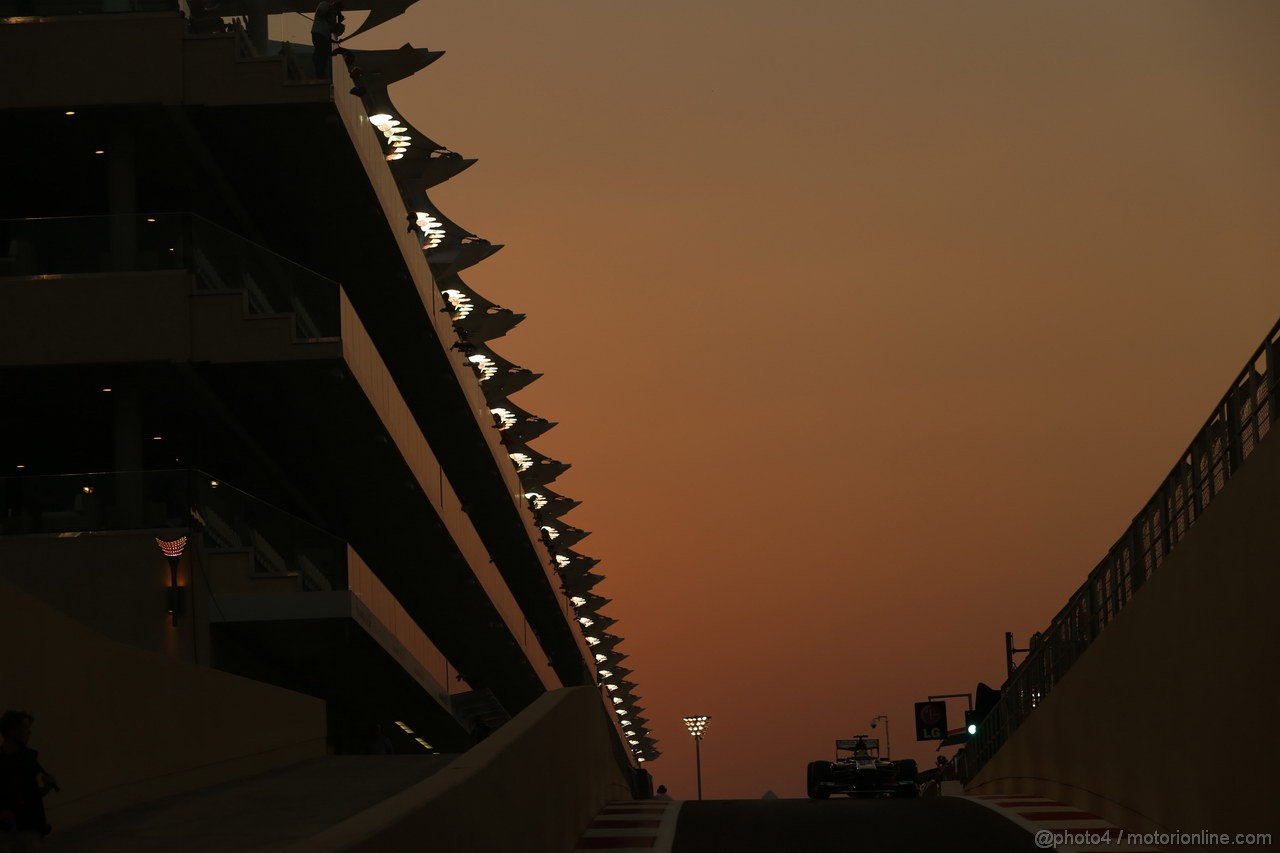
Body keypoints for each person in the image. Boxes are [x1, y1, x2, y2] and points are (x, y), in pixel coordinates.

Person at [0, 711, 57, 852]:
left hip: (28, 828)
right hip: (8, 831)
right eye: (25, 728)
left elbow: (32, 796)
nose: (29, 733)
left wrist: (47, 787)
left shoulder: (28, 758)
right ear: (12, 731)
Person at [310, 0, 341, 79]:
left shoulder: (333, 15)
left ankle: (321, 74)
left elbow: (333, 30)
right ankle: (319, 75)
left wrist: (340, 21)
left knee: (323, 55)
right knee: (321, 55)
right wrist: (331, 11)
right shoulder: (325, 5)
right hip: (319, 33)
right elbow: (319, 13)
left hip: (324, 36)